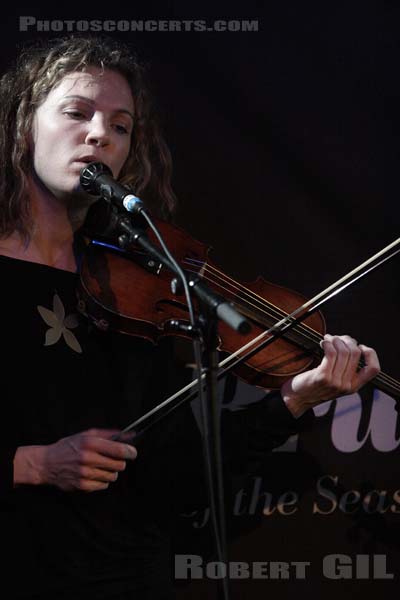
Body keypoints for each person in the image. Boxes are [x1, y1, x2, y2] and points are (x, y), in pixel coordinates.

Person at [0, 36, 380, 599]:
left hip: (132, 577)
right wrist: (33, 464)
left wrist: (297, 396)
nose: (100, 134)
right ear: (24, 124)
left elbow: (178, 473)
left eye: (121, 125)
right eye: (77, 113)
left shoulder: (139, 283)